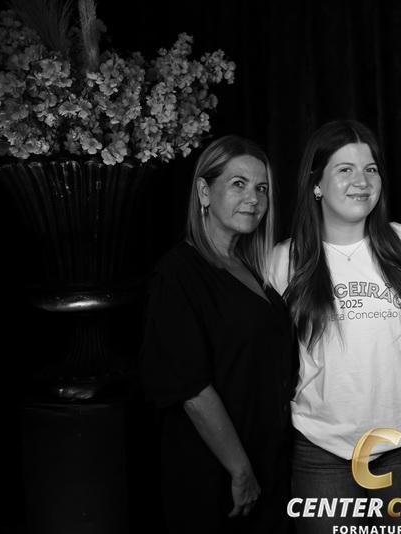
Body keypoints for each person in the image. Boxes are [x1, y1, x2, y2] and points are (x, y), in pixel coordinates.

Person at [269, 120, 401, 534]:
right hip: (322, 447)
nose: (362, 181)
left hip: (398, 443)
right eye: (345, 169)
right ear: (316, 184)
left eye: (370, 169)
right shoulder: (284, 261)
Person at [140, 136, 294, 534]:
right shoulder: (178, 274)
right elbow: (192, 390)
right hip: (217, 474)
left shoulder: (251, 267)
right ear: (204, 192)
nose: (254, 199)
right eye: (238, 184)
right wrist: (240, 470)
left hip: (268, 460)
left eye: (262, 188)